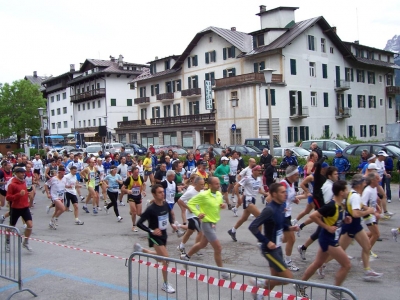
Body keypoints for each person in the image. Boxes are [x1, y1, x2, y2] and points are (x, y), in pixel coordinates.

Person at [294, 180, 352, 299]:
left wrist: (345, 220)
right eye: (346, 190)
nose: (348, 192)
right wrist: (327, 227)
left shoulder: (341, 205)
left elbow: (334, 220)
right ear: (341, 192)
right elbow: (313, 216)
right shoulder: (331, 205)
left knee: (318, 263)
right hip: (328, 240)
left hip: (329, 238)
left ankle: (300, 284)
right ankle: (336, 290)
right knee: (346, 265)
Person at [248, 183, 300, 297]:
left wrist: (290, 228)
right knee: (288, 279)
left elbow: (280, 224)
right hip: (269, 250)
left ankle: (259, 295)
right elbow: (252, 227)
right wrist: (267, 242)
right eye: (282, 192)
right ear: (274, 194)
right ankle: (261, 283)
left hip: (278, 247)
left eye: (285, 191)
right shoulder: (269, 209)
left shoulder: (281, 206)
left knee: (275, 277)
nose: (285, 194)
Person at [330, 174, 383, 280]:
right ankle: (321, 264)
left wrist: (368, 208)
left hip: (356, 226)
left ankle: (367, 270)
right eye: (363, 181)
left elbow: (359, 205)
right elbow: (355, 213)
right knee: (338, 250)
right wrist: (369, 211)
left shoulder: (353, 194)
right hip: (351, 225)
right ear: (359, 184)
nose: (365, 183)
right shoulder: (355, 196)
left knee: (367, 246)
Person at [181, 177, 231, 280]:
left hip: (214, 223)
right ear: (210, 185)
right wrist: (198, 213)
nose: (219, 185)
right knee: (218, 248)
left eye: (219, 183)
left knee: (202, 244)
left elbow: (215, 205)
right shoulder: (203, 194)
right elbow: (190, 203)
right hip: (206, 223)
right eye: (216, 184)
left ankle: (186, 257)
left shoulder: (218, 194)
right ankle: (223, 272)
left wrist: (221, 205)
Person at [134, 184, 178, 294]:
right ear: (154, 194)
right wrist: (151, 231)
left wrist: (172, 224)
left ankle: (142, 250)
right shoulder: (151, 209)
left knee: (160, 259)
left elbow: (169, 215)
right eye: (160, 192)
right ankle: (165, 283)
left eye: (163, 192)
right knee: (166, 259)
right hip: (154, 237)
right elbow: (139, 223)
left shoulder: (165, 204)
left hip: (164, 235)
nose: (162, 194)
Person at [227, 165, 268, 241]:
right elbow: (236, 186)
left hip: (253, 199)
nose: (260, 172)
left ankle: (232, 230)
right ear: (254, 171)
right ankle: (260, 239)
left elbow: (259, 190)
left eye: (260, 170)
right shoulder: (247, 178)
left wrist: (267, 194)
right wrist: (239, 198)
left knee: (244, 218)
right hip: (248, 199)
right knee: (260, 216)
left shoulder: (258, 179)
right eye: (258, 170)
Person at [6, 167, 33, 251]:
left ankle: (25, 242)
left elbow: (24, 193)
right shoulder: (12, 184)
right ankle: (7, 242)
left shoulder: (23, 182)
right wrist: (18, 195)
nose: (23, 174)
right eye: (21, 173)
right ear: (16, 173)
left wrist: (28, 195)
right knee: (11, 227)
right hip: (16, 208)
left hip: (25, 207)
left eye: (23, 173)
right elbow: (8, 197)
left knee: (30, 225)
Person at [176, 175, 204, 255]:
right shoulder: (191, 192)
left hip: (198, 214)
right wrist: (188, 208)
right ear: (196, 184)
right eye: (201, 184)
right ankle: (196, 248)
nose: (203, 186)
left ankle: (181, 246)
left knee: (190, 231)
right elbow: (180, 200)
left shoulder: (202, 192)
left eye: (203, 184)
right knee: (200, 231)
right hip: (192, 216)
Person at [362, 172, 382, 258]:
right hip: (368, 215)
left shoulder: (374, 188)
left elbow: (374, 200)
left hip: (372, 214)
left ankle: (355, 235)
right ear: (373, 180)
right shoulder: (368, 190)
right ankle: (367, 251)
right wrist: (373, 212)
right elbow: (362, 204)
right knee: (376, 234)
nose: (379, 180)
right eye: (377, 179)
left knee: (372, 233)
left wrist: (377, 207)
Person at [122, 166, 146, 231]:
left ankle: (131, 211)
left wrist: (143, 191)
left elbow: (144, 184)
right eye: (135, 173)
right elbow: (122, 188)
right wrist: (127, 191)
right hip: (131, 197)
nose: (136, 174)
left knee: (139, 213)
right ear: (132, 173)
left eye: (137, 172)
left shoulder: (140, 178)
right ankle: (133, 226)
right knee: (134, 212)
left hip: (138, 196)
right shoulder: (129, 179)